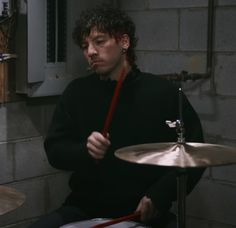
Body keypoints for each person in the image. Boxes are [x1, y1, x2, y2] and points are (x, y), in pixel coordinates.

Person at [29, 4, 205, 228]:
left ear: (124, 42)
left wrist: (160, 195)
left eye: (99, 41)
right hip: (83, 208)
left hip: (144, 211)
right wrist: (85, 150)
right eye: (85, 46)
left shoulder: (163, 93)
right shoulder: (77, 92)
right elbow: (54, 150)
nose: (90, 51)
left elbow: (194, 152)